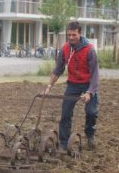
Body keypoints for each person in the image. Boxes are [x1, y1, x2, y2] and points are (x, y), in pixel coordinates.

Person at [42, 21, 100, 150]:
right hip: (73, 84)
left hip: (88, 84)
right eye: (69, 35)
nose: (71, 38)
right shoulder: (65, 49)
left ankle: (90, 135)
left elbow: (95, 74)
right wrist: (49, 86)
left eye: (74, 35)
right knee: (65, 114)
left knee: (91, 112)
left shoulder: (89, 50)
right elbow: (58, 70)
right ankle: (64, 143)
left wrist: (90, 92)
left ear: (80, 33)